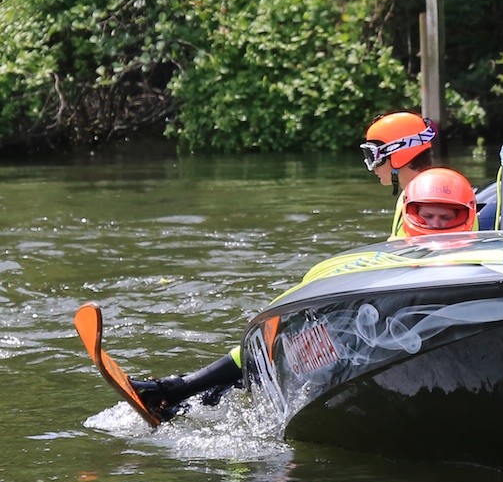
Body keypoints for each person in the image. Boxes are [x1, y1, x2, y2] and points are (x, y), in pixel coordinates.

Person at [131, 112, 458, 420]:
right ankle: (188, 396)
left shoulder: (428, 194)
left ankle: (178, 393)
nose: (372, 167)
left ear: (399, 153)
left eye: (375, 155)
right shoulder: (417, 191)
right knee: (282, 334)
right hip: (396, 310)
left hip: (403, 313)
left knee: (285, 330)